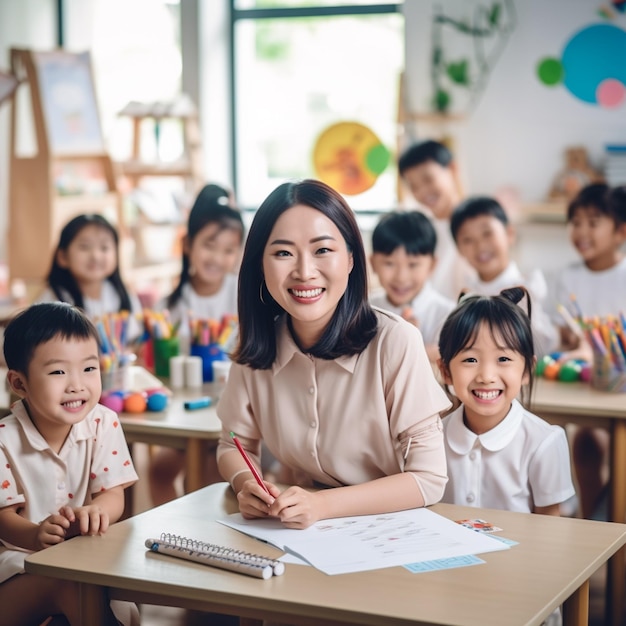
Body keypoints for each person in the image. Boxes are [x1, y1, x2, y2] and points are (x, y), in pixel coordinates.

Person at [215, 178, 451, 530]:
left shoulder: (396, 342)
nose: (304, 272)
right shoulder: (255, 344)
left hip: (392, 531)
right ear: (259, 266)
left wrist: (322, 504)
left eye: (322, 250)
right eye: (283, 253)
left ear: (353, 259)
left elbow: (428, 478)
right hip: (299, 532)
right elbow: (233, 444)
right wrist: (246, 483)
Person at [0, 302, 139, 626]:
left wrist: (96, 512)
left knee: (121, 588)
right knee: (72, 586)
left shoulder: (103, 422)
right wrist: (36, 536)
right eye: (58, 372)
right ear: (19, 384)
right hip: (15, 571)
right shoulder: (4, 440)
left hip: (80, 560)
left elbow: (112, 493)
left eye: (89, 369)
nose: (77, 384)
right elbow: (2, 517)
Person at [437, 288, 575, 515]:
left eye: (503, 359)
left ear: (526, 371)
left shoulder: (544, 443)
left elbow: (550, 530)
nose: (486, 376)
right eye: (470, 359)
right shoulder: (432, 438)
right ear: (446, 371)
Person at [149, 183, 246, 506]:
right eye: (209, 245)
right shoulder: (173, 302)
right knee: (159, 471)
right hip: (188, 410)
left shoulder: (242, 294)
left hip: (234, 412)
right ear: (188, 244)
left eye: (229, 249)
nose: (218, 257)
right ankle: (176, 532)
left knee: (205, 476)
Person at [551, 183, 626, 520]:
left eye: (593, 222)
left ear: (620, 232)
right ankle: (591, 520)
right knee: (585, 442)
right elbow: (565, 336)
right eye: (576, 222)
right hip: (586, 389)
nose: (581, 231)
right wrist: (569, 341)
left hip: (618, 390)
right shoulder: (568, 277)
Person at [450, 195, 559, 358]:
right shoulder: (466, 293)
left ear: (509, 234)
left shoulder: (531, 288)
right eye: (468, 240)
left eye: (487, 234)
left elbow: (547, 344)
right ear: (459, 249)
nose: (480, 246)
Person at [36, 213, 143, 341]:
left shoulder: (122, 294)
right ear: (63, 256)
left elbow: (135, 339)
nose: (96, 256)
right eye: (84, 247)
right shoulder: (52, 300)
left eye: (104, 248)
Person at [369, 210, 455, 362]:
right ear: (373, 263)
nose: (401, 277)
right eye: (389, 263)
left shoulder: (448, 315)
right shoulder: (364, 309)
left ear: (432, 265)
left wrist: (410, 343)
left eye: (413, 265)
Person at [398, 139, 475, 300]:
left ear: (452, 169)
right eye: (414, 186)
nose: (423, 192)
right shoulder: (419, 229)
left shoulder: (477, 226)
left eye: (428, 179)